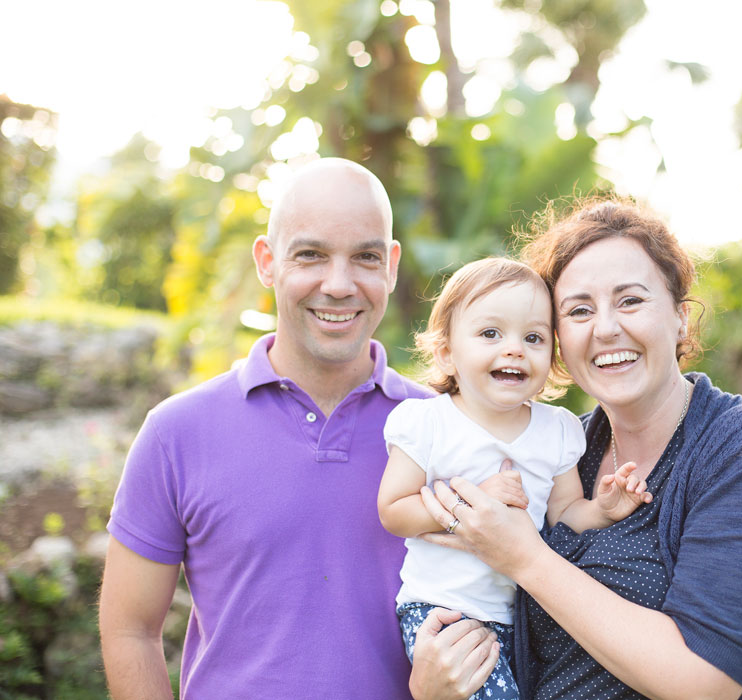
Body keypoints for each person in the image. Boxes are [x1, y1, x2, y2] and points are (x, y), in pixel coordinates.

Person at [98, 158, 497, 698]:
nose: (338, 285)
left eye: (365, 257)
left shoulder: (452, 430)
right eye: (310, 255)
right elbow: (131, 631)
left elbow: (492, 616)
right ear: (267, 261)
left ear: (392, 266)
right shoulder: (176, 434)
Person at [411, 196, 742, 700]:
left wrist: (527, 558)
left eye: (630, 301)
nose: (605, 328)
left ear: (680, 318)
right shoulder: (560, 452)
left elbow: (704, 681)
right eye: (579, 310)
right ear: (558, 337)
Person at [378, 257, 652, 699]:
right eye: (490, 334)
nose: (514, 349)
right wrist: (471, 508)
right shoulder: (427, 423)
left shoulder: (557, 431)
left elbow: (563, 513)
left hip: (522, 618)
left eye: (533, 337)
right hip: (445, 612)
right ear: (447, 350)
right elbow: (392, 510)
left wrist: (602, 510)